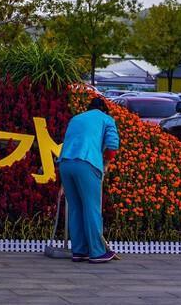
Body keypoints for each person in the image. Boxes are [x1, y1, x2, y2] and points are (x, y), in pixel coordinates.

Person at [58, 96, 120, 263]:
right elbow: (112, 145)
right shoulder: (106, 119)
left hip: (65, 164)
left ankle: (79, 251)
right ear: (104, 110)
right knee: (92, 208)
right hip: (87, 163)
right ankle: (97, 252)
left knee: (75, 208)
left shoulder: (76, 119)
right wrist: (106, 163)